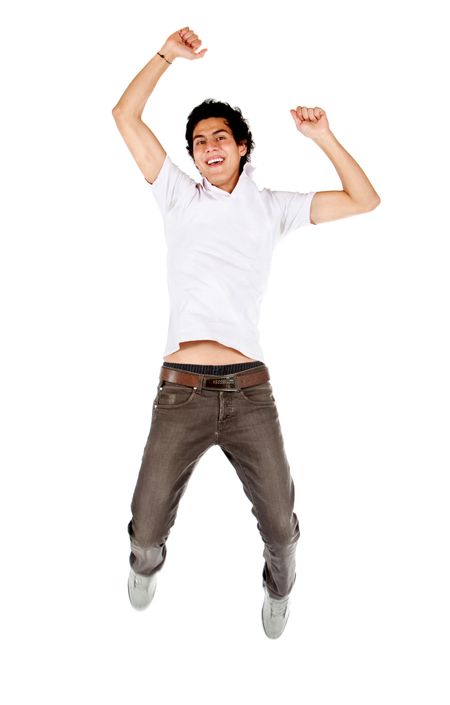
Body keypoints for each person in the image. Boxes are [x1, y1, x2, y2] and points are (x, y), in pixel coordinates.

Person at [112, 27, 380, 639]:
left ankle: (277, 587)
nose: (208, 147)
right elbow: (124, 115)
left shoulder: (274, 206)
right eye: (198, 140)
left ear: (242, 147)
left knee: (282, 529)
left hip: (248, 390)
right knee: (146, 526)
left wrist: (323, 137)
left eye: (219, 138)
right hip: (179, 390)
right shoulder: (178, 195)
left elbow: (365, 200)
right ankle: (145, 564)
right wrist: (165, 57)